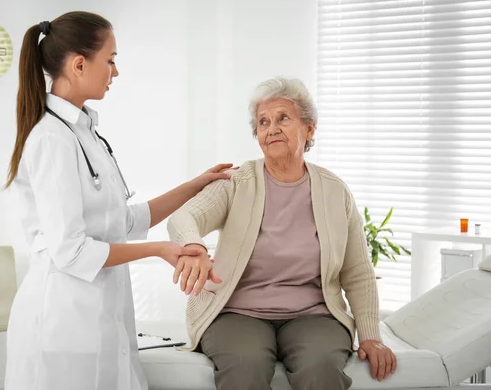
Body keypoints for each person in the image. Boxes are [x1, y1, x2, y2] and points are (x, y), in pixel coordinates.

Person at [4, 11, 227, 390]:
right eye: (110, 60)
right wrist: (159, 249)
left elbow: (123, 222)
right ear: (78, 64)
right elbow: (70, 251)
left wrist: (196, 185)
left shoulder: (85, 133)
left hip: (101, 313)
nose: (115, 72)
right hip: (64, 319)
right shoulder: (51, 140)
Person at [167, 77, 398, 390]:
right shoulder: (237, 182)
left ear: (310, 129)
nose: (272, 128)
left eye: (283, 118)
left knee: (321, 369)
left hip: (313, 315)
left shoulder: (334, 191)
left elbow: (357, 271)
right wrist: (193, 244)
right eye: (263, 122)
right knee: (244, 369)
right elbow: (184, 217)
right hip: (236, 312)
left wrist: (371, 336)